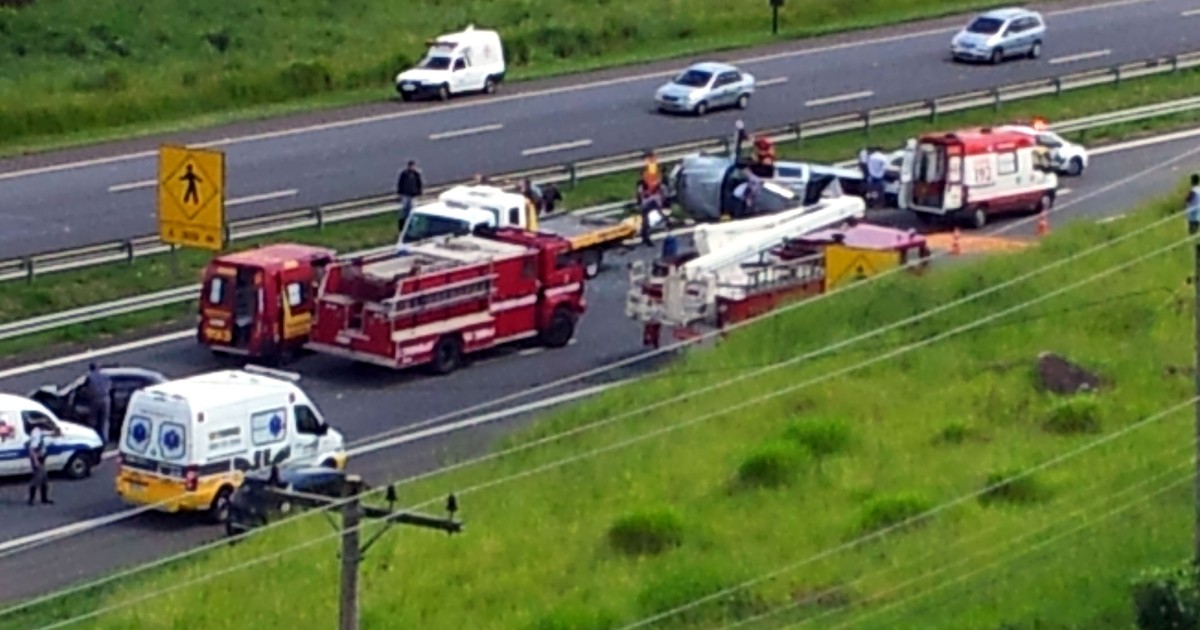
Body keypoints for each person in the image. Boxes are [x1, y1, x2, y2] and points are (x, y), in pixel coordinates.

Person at [85, 362, 113, 444]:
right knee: (105, 420)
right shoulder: (105, 375)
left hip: (95, 400)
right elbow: (110, 386)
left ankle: (93, 438)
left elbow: (87, 389)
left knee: (93, 419)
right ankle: (105, 439)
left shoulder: (89, 377)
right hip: (106, 398)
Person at [27, 423, 53, 505]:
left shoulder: (39, 431)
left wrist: (55, 432)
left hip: (41, 458)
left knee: (44, 478)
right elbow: (32, 449)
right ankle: (31, 499)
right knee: (37, 478)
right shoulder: (36, 435)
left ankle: (44, 498)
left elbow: (49, 433)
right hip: (37, 459)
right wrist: (36, 461)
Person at [396, 161, 423, 230]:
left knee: (412, 210)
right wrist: (400, 192)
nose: (411, 167)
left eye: (412, 166)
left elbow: (419, 183)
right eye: (410, 166)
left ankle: (412, 225)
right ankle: (402, 225)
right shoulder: (404, 174)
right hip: (405, 194)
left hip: (413, 195)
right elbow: (400, 183)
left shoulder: (416, 174)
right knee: (404, 209)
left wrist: (419, 192)